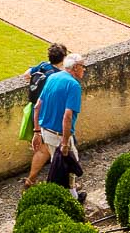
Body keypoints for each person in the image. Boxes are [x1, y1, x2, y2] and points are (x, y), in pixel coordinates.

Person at [26, 54, 86, 188]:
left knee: (64, 164)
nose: (84, 69)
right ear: (75, 67)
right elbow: (67, 116)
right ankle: (70, 196)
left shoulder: (53, 77)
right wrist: (64, 143)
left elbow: (37, 107)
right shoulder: (73, 85)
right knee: (67, 167)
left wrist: (37, 132)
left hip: (46, 132)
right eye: (83, 66)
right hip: (59, 135)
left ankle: (69, 191)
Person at [20, 42, 68, 183]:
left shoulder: (43, 66)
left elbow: (26, 75)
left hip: (36, 110)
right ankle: (66, 183)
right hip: (48, 114)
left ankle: (31, 180)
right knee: (58, 148)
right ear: (63, 58)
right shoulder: (59, 76)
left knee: (43, 149)